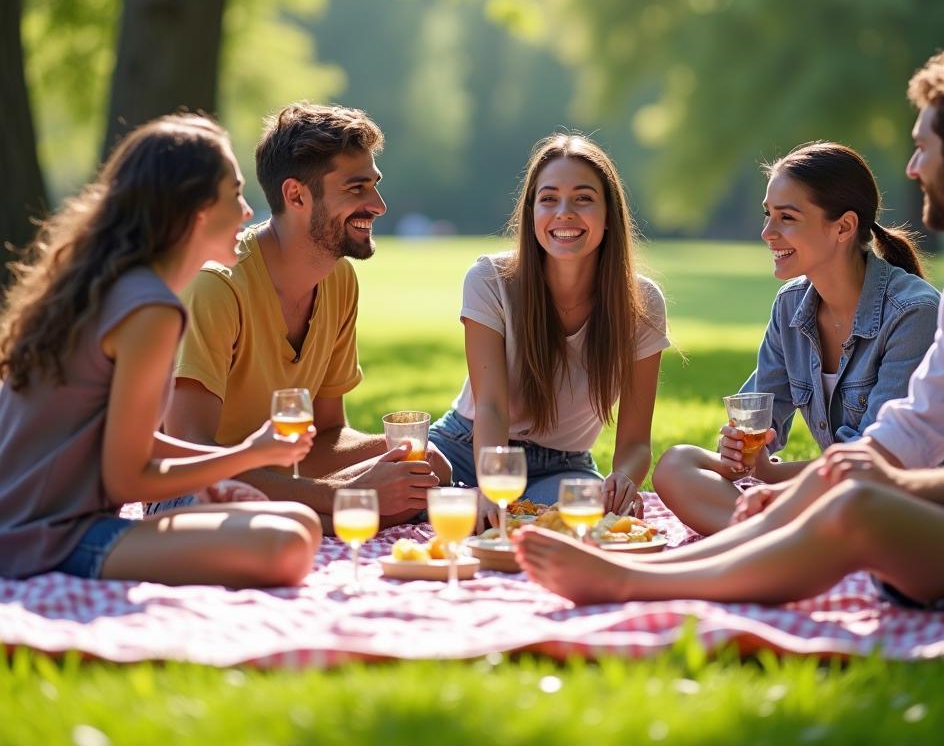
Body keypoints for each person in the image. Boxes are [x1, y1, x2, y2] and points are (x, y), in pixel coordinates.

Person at [516, 43, 944, 612]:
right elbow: (910, 430)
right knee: (797, 485)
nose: (911, 168)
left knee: (853, 503)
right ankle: (640, 569)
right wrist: (809, 483)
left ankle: (639, 585)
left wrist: (851, 483)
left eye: (922, 148)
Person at [0, 115, 322, 585]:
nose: (248, 211)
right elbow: (127, 479)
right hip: (43, 536)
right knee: (287, 545)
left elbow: (131, 438)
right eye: (234, 193)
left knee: (300, 522)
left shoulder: (110, 285)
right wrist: (250, 454)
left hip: (38, 519)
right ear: (197, 209)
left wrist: (213, 475)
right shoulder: (151, 311)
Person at [654, 142, 944, 536]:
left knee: (850, 505)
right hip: (836, 494)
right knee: (676, 464)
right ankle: (774, 542)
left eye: (787, 217)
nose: (767, 233)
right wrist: (740, 449)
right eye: (768, 215)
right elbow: (758, 419)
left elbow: (876, 464)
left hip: (906, 502)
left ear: (843, 227)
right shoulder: (791, 306)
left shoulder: (913, 313)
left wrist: (776, 480)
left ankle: (764, 542)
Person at [163, 103, 450, 529]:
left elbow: (326, 437)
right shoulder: (218, 286)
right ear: (296, 195)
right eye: (356, 189)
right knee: (298, 524)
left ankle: (325, 518)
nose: (378, 205)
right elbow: (188, 455)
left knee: (426, 465)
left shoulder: (339, 280)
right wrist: (337, 495)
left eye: (374, 185)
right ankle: (327, 518)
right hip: (193, 495)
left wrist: (393, 454)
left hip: (281, 492)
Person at [427, 132, 672, 521]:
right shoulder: (490, 278)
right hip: (470, 447)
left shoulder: (642, 303)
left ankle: (468, 505)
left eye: (583, 198)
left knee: (570, 520)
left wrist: (623, 478)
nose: (564, 212)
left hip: (562, 466)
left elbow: (635, 440)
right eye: (549, 199)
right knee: (398, 494)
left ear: (609, 215)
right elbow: (491, 405)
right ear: (532, 213)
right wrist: (492, 487)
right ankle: (460, 498)